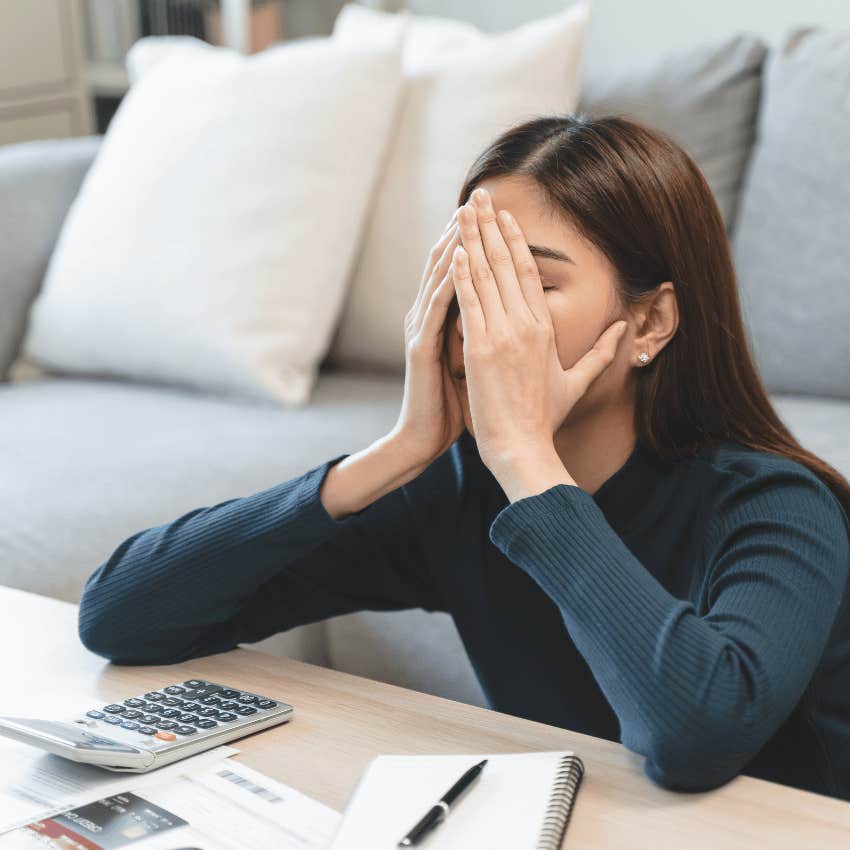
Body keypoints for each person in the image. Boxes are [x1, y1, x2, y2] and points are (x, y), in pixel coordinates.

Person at [77, 115, 850, 801]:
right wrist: (395, 453)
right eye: (468, 275)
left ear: (648, 324)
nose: (481, 316)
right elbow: (124, 617)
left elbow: (693, 741)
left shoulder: (776, 507)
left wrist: (525, 459)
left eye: (528, 283)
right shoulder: (453, 492)